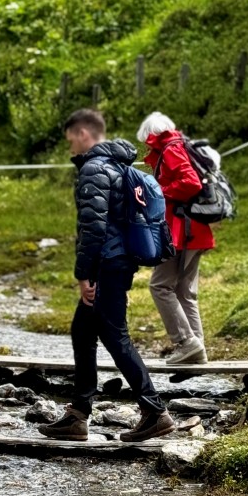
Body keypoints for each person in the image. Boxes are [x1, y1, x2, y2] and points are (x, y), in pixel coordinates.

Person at [39, 108, 174, 443]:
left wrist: (85, 274)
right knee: (83, 330)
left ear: (83, 133)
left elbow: (93, 228)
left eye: (71, 139)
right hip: (118, 261)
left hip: (106, 265)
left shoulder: (94, 169)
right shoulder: (117, 164)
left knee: (115, 335)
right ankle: (78, 415)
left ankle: (155, 411)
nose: (70, 146)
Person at [138, 111, 214, 365]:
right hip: (196, 230)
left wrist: (158, 191)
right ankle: (197, 349)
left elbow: (191, 183)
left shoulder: (171, 149)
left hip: (181, 231)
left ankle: (186, 342)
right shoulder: (180, 145)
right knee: (184, 291)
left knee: (159, 285)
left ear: (150, 135)